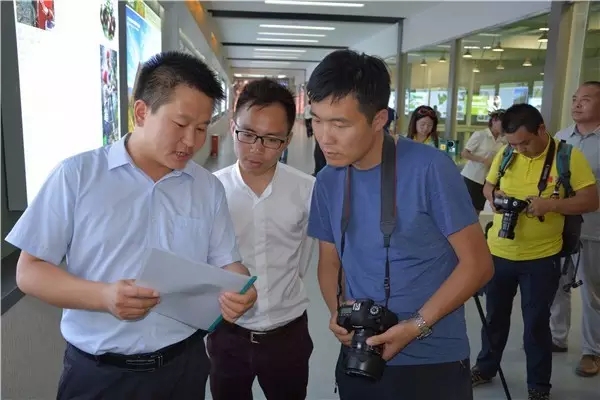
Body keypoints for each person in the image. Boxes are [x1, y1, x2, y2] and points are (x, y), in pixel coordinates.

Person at [5, 51, 257, 400]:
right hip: (99, 375)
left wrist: (241, 289)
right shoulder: (77, 176)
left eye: (201, 128)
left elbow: (227, 261)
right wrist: (104, 297)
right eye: (180, 124)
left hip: (183, 368)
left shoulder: (207, 188)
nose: (192, 141)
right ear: (141, 112)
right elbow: (29, 271)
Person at [306, 49, 493, 400]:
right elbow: (329, 261)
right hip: (361, 355)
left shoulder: (430, 168)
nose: (324, 137)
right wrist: (338, 313)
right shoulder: (328, 181)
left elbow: (478, 265)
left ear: (379, 119)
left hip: (432, 359)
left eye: (340, 124)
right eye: (316, 120)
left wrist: (414, 327)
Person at [471, 104, 598, 400]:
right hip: (499, 252)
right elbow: (488, 186)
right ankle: (485, 367)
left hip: (541, 258)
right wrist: (494, 195)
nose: (519, 150)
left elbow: (591, 200)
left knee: (536, 324)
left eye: (525, 143)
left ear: (541, 130)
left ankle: (539, 386)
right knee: (494, 318)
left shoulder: (567, 156)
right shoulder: (508, 153)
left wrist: (550, 205)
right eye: (513, 144)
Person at [208, 79, 316, 400]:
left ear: (287, 141)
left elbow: (305, 256)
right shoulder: (210, 190)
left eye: (271, 139)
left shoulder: (306, 190)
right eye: (248, 134)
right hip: (226, 333)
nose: (256, 148)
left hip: (288, 333)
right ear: (232, 127)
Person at [551, 81, 600, 377]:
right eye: (574, 99)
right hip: (560, 226)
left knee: (592, 293)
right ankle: (556, 337)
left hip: (594, 228)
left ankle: (592, 350)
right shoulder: (560, 138)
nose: (577, 104)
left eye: (586, 99)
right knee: (557, 284)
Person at [461, 110, 506, 214]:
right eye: (502, 123)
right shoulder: (480, 135)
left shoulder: (503, 140)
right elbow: (464, 153)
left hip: (486, 179)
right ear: (494, 121)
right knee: (466, 209)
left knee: (477, 209)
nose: (504, 126)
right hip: (472, 177)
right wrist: (482, 160)